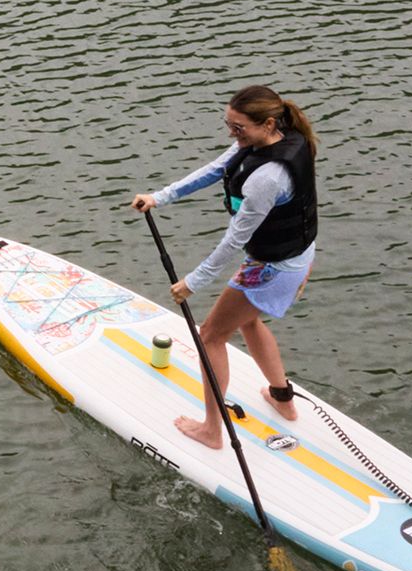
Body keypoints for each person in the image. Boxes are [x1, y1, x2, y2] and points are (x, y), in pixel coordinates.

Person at [130, 84, 320, 452]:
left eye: (238, 128)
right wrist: (160, 197)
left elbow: (235, 238)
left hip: (275, 268)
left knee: (211, 336)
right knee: (248, 320)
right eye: (229, 125)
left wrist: (194, 281)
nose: (232, 134)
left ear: (267, 124)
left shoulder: (268, 178)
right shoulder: (273, 139)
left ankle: (212, 431)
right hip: (291, 257)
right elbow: (217, 169)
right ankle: (282, 398)